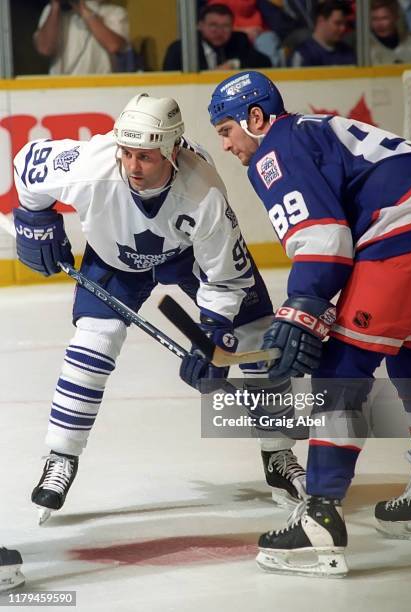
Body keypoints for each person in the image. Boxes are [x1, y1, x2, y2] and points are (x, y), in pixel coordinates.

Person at [12, 93, 306, 524]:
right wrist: (35, 219)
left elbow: (225, 280)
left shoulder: (203, 191)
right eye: (126, 153)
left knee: (258, 334)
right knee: (94, 339)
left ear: (171, 151)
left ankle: (279, 452)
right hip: (114, 258)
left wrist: (213, 338)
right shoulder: (93, 163)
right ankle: (61, 457)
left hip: (187, 256)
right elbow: (27, 164)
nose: (132, 167)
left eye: (145, 157)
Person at [207, 70, 411, 576]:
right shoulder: (314, 129)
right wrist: (311, 309)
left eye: (227, 129)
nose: (228, 145)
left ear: (256, 118)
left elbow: (324, 242)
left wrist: (300, 311)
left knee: (342, 367)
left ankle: (319, 513)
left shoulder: (274, 150)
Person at [163, 3, 271, 71]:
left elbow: (265, 62)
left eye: (225, 26)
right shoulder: (181, 49)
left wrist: (234, 64)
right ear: (200, 25)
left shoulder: (239, 40)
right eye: (213, 25)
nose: (219, 31)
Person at [34, 0, 129, 75]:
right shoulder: (51, 12)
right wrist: (55, 6)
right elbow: (45, 49)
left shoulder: (115, 12)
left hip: (100, 87)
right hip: (61, 89)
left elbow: (113, 46)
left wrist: (83, 9)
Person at [290, 0, 356, 67]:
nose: (343, 28)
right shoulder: (303, 54)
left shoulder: (348, 52)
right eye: (337, 23)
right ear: (321, 21)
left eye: (345, 24)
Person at [370, 0, 411, 64]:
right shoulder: (366, 47)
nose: (379, 24)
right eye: (375, 19)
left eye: (384, 18)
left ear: (396, 17)